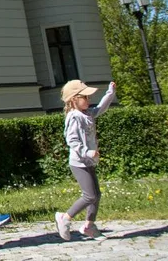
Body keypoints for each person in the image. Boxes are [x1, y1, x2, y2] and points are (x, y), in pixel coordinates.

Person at [56, 79, 116, 241]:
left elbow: (101, 109)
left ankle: (89, 225)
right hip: (79, 162)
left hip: (88, 161)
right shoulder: (74, 117)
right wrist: (88, 152)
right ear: (74, 99)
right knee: (89, 196)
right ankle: (65, 217)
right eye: (85, 97)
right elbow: (72, 140)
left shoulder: (87, 113)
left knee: (96, 194)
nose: (89, 100)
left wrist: (110, 93)